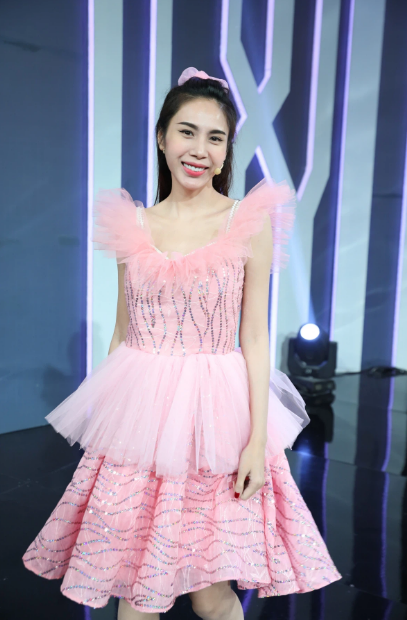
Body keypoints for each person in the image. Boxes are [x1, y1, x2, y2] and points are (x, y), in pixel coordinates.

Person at [22, 67, 341, 619]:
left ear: (226, 151)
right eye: (187, 132)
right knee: (135, 587)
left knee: (210, 593)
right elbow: (123, 330)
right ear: (162, 137)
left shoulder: (247, 221)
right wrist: (107, 422)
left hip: (216, 421)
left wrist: (257, 442)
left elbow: (254, 336)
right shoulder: (133, 224)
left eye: (216, 138)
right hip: (141, 418)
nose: (199, 149)